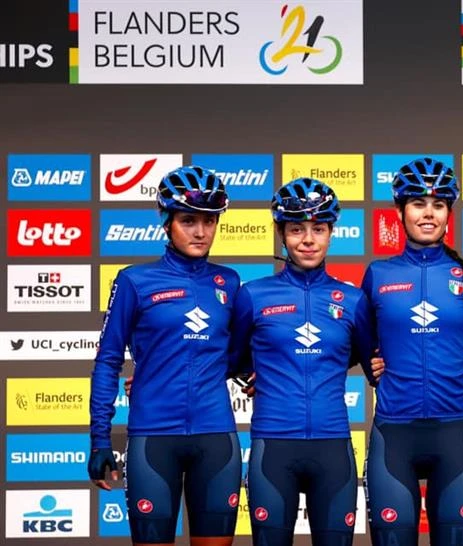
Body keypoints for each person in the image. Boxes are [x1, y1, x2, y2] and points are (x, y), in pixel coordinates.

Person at [89, 166, 242, 546]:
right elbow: (108, 360)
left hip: (216, 438)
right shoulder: (134, 281)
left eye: (209, 221)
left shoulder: (230, 281)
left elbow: (241, 355)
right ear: (167, 222)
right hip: (154, 439)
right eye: (188, 220)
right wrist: (99, 439)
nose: (200, 232)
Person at [228, 178, 377, 546]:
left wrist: (459, 385)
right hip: (273, 447)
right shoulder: (253, 295)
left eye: (318, 229)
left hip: (333, 447)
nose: (308, 240)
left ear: (331, 233)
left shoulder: (353, 300)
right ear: (281, 233)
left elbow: (372, 360)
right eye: (297, 229)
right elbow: (228, 358)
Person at [362, 157, 463, 546]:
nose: (429, 213)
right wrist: (372, 366)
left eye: (438, 204)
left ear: (449, 212)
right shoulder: (378, 274)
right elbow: (355, 337)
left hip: (453, 437)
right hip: (393, 436)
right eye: (418, 204)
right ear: (400, 211)